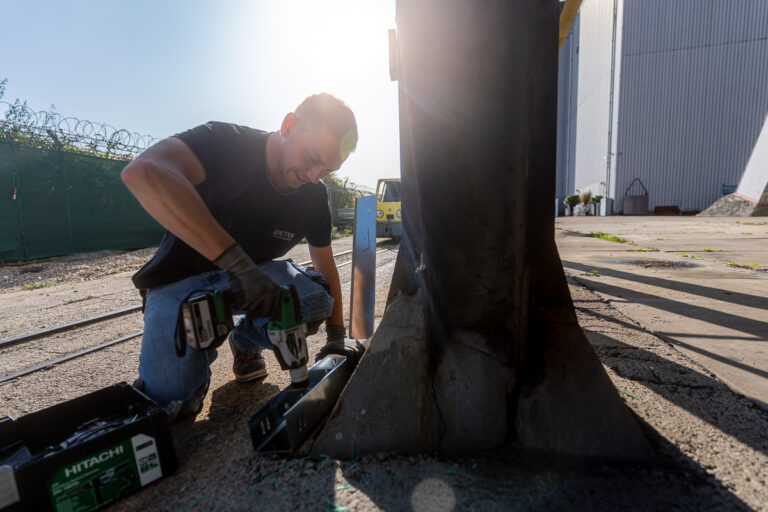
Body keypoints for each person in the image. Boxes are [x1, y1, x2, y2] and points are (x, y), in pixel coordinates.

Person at [121, 93, 363, 420]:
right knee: (172, 402)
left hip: (252, 284)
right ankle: (196, 354)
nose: (313, 175)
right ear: (289, 125)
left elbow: (325, 264)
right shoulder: (226, 144)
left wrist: (336, 339)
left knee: (317, 298)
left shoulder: (313, 196)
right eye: (311, 157)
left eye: (327, 169)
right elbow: (143, 173)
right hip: (180, 282)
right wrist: (237, 264)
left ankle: (245, 343)